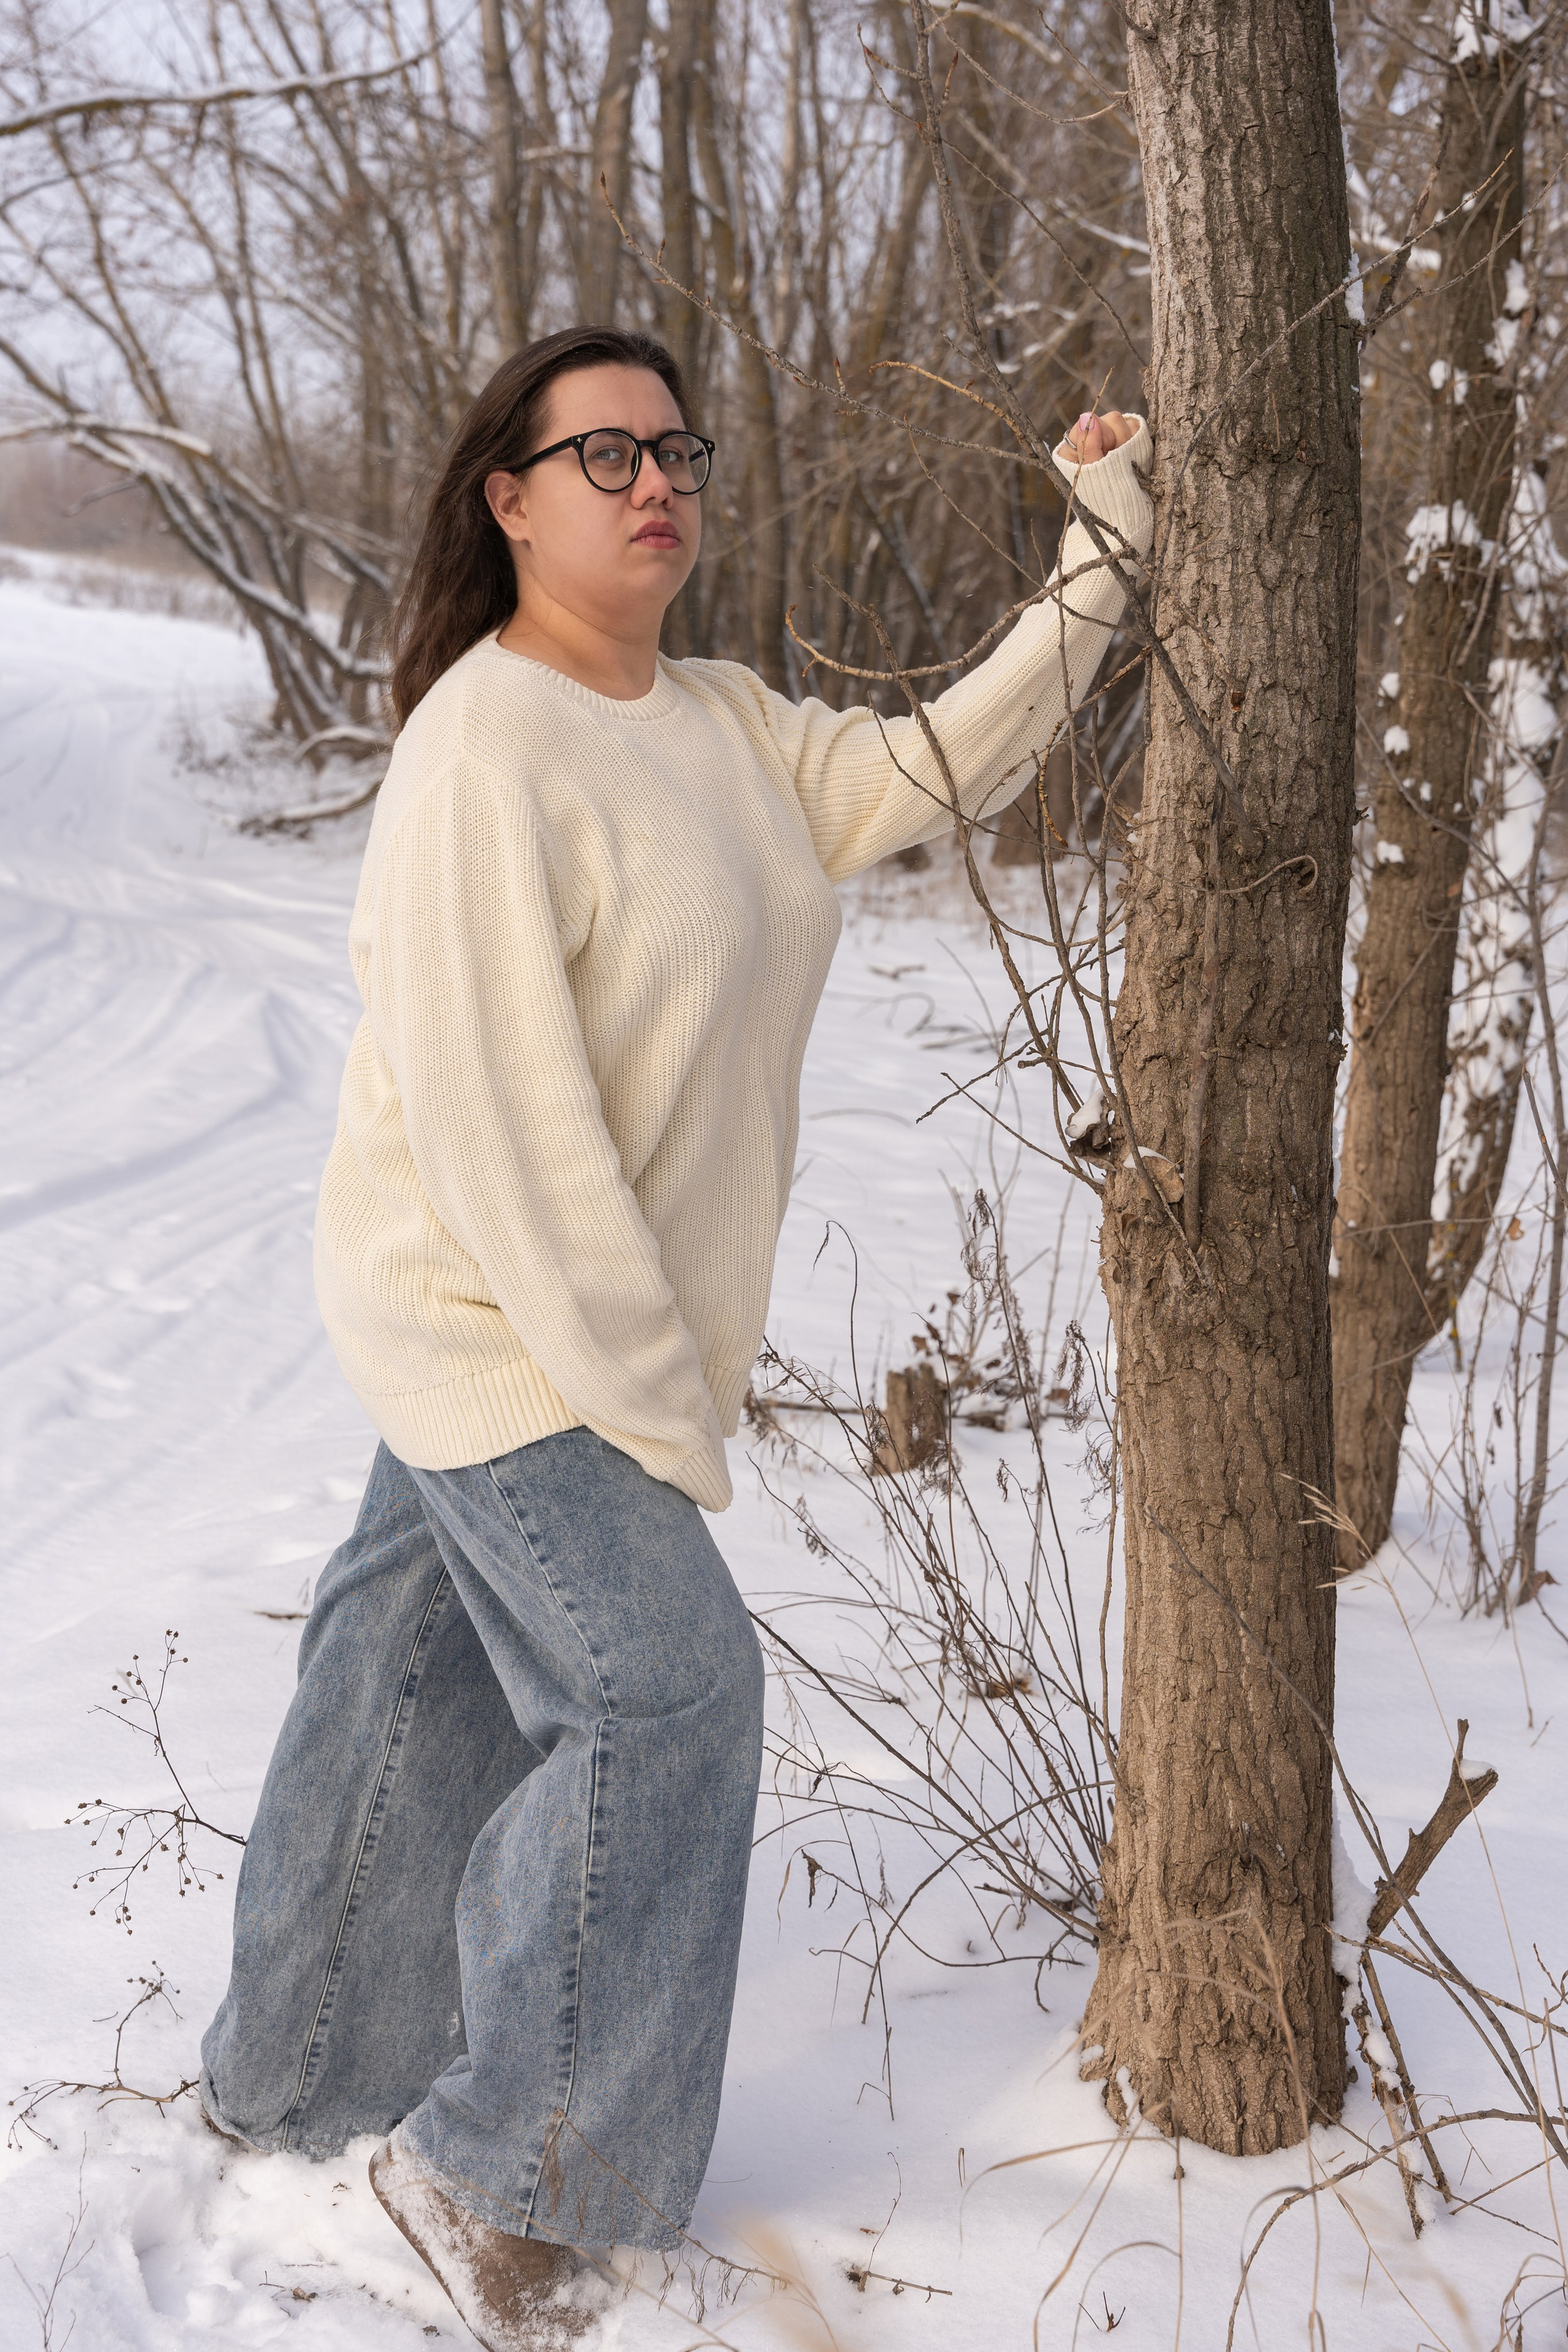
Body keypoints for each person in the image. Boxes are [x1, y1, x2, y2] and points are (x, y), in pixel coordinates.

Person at [198, 323, 1152, 2352]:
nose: (656, 480)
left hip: (553, 1330)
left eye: (677, 449)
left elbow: (928, 766)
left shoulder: (716, 724)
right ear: (511, 500)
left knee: (406, 1691)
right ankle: (510, 2188)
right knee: (667, 1694)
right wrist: (651, 1399)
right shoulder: (485, 746)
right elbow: (505, 1126)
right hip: (494, 1321)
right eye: (605, 451)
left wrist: (1100, 556)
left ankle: (292, 2090)